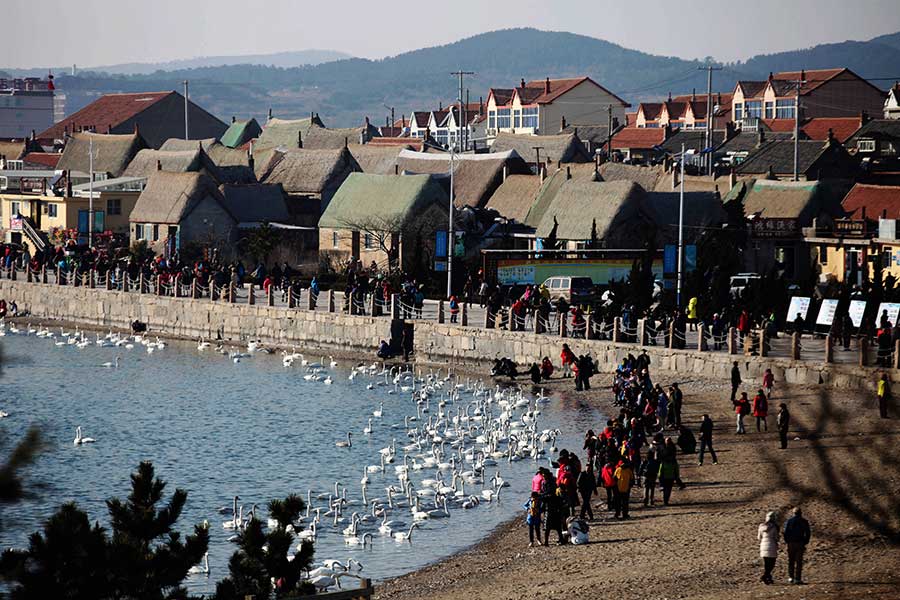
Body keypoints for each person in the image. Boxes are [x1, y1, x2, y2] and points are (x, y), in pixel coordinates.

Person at [783, 507, 811, 584]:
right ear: (800, 513)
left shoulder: (789, 521)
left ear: (793, 513)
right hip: (800, 543)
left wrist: (787, 541)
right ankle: (798, 578)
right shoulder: (804, 521)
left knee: (791, 560)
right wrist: (805, 541)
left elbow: (785, 532)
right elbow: (808, 533)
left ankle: (790, 577)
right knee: (799, 561)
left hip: (791, 543)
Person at [758, 511, 779, 585]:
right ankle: (765, 576)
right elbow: (776, 537)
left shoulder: (761, 526)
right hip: (772, 546)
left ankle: (768, 578)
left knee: (766, 564)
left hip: (763, 546)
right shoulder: (774, 527)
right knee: (772, 564)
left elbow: (759, 537)